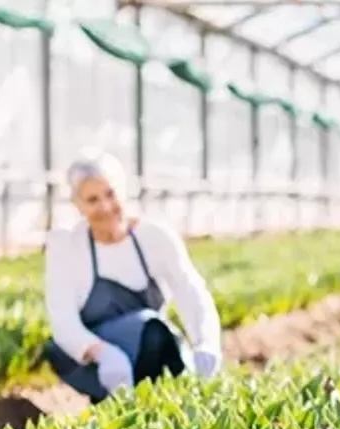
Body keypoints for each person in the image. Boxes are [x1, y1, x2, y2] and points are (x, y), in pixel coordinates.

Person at [42, 150, 224, 403]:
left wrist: (206, 342)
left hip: (152, 349)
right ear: (78, 205)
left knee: (151, 328)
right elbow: (62, 321)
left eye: (110, 193)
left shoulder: (155, 237)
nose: (105, 207)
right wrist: (102, 353)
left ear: (124, 191)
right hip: (96, 363)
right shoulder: (67, 246)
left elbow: (191, 291)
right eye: (92, 199)